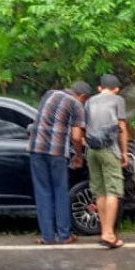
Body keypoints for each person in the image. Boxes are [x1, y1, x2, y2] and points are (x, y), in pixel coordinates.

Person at [29, 81, 91, 245]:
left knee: (43, 193)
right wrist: (78, 154)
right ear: (82, 96)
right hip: (57, 153)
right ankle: (64, 235)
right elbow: (76, 136)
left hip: (36, 149)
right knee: (60, 192)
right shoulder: (76, 104)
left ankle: (47, 237)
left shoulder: (49, 94)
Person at [85, 74, 128, 249]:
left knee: (99, 190)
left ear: (100, 87)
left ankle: (104, 231)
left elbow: (84, 126)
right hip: (109, 149)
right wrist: (124, 152)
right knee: (113, 190)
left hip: (91, 150)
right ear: (116, 88)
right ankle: (109, 234)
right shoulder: (118, 100)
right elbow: (122, 128)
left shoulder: (89, 101)